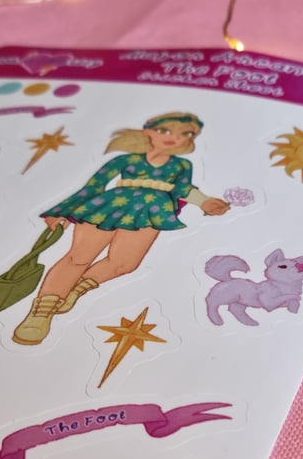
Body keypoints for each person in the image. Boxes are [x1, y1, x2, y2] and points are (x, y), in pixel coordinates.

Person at [13, 112, 230, 345]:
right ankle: (40, 313)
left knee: (124, 264)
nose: (173, 138)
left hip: (151, 213)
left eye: (185, 133)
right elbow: (93, 186)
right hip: (108, 207)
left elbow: (183, 189)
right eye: (164, 130)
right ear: (148, 132)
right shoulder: (126, 160)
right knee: (78, 258)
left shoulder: (182, 165)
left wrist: (204, 202)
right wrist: (62, 212)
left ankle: (76, 288)